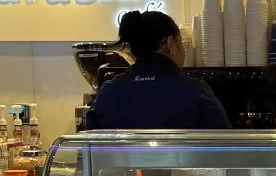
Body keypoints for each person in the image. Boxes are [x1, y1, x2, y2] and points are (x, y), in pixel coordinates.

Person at [83, 10, 231, 130]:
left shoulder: (108, 92)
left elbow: (90, 145)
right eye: (182, 43)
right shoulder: (195, 91)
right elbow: (225, 145)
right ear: (171, 44)